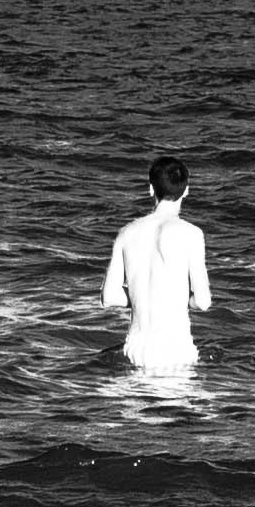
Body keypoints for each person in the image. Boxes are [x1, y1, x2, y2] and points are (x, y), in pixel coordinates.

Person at [101, 153, 209, 373]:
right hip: (176, 352)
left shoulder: (126, 233)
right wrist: (175, 299)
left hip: (135, 351)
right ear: (187, 190)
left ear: (151, 189)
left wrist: (140, 296)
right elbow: (202, 302)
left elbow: (109, 297)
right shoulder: (192, 234)